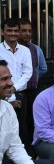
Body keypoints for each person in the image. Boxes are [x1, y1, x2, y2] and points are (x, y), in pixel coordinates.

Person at [0, 60, 54, 164]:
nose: (11, 83)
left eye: (10, 78)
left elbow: (15, 148)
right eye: (4, 79)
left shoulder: (7, 108)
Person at [0, 18, 33, 154]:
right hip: (1, 96)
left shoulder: (25, 50)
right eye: (9, 30)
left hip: (20, 95)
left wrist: (13, 88)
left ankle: (23, 162)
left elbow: (28, 72)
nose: (12, 33)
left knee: (21, 130)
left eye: (15, 30)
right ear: (2, 32)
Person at [18, 18, 48, 155]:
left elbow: (42, 68)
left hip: (33, 91)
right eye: (23, 30)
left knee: (33, 121)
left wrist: (33, 78)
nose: (27, 33)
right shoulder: (11, 49)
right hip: (16, 92)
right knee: (20, 124)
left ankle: (33, 150)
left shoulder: (36, 49)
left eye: (29, 31)